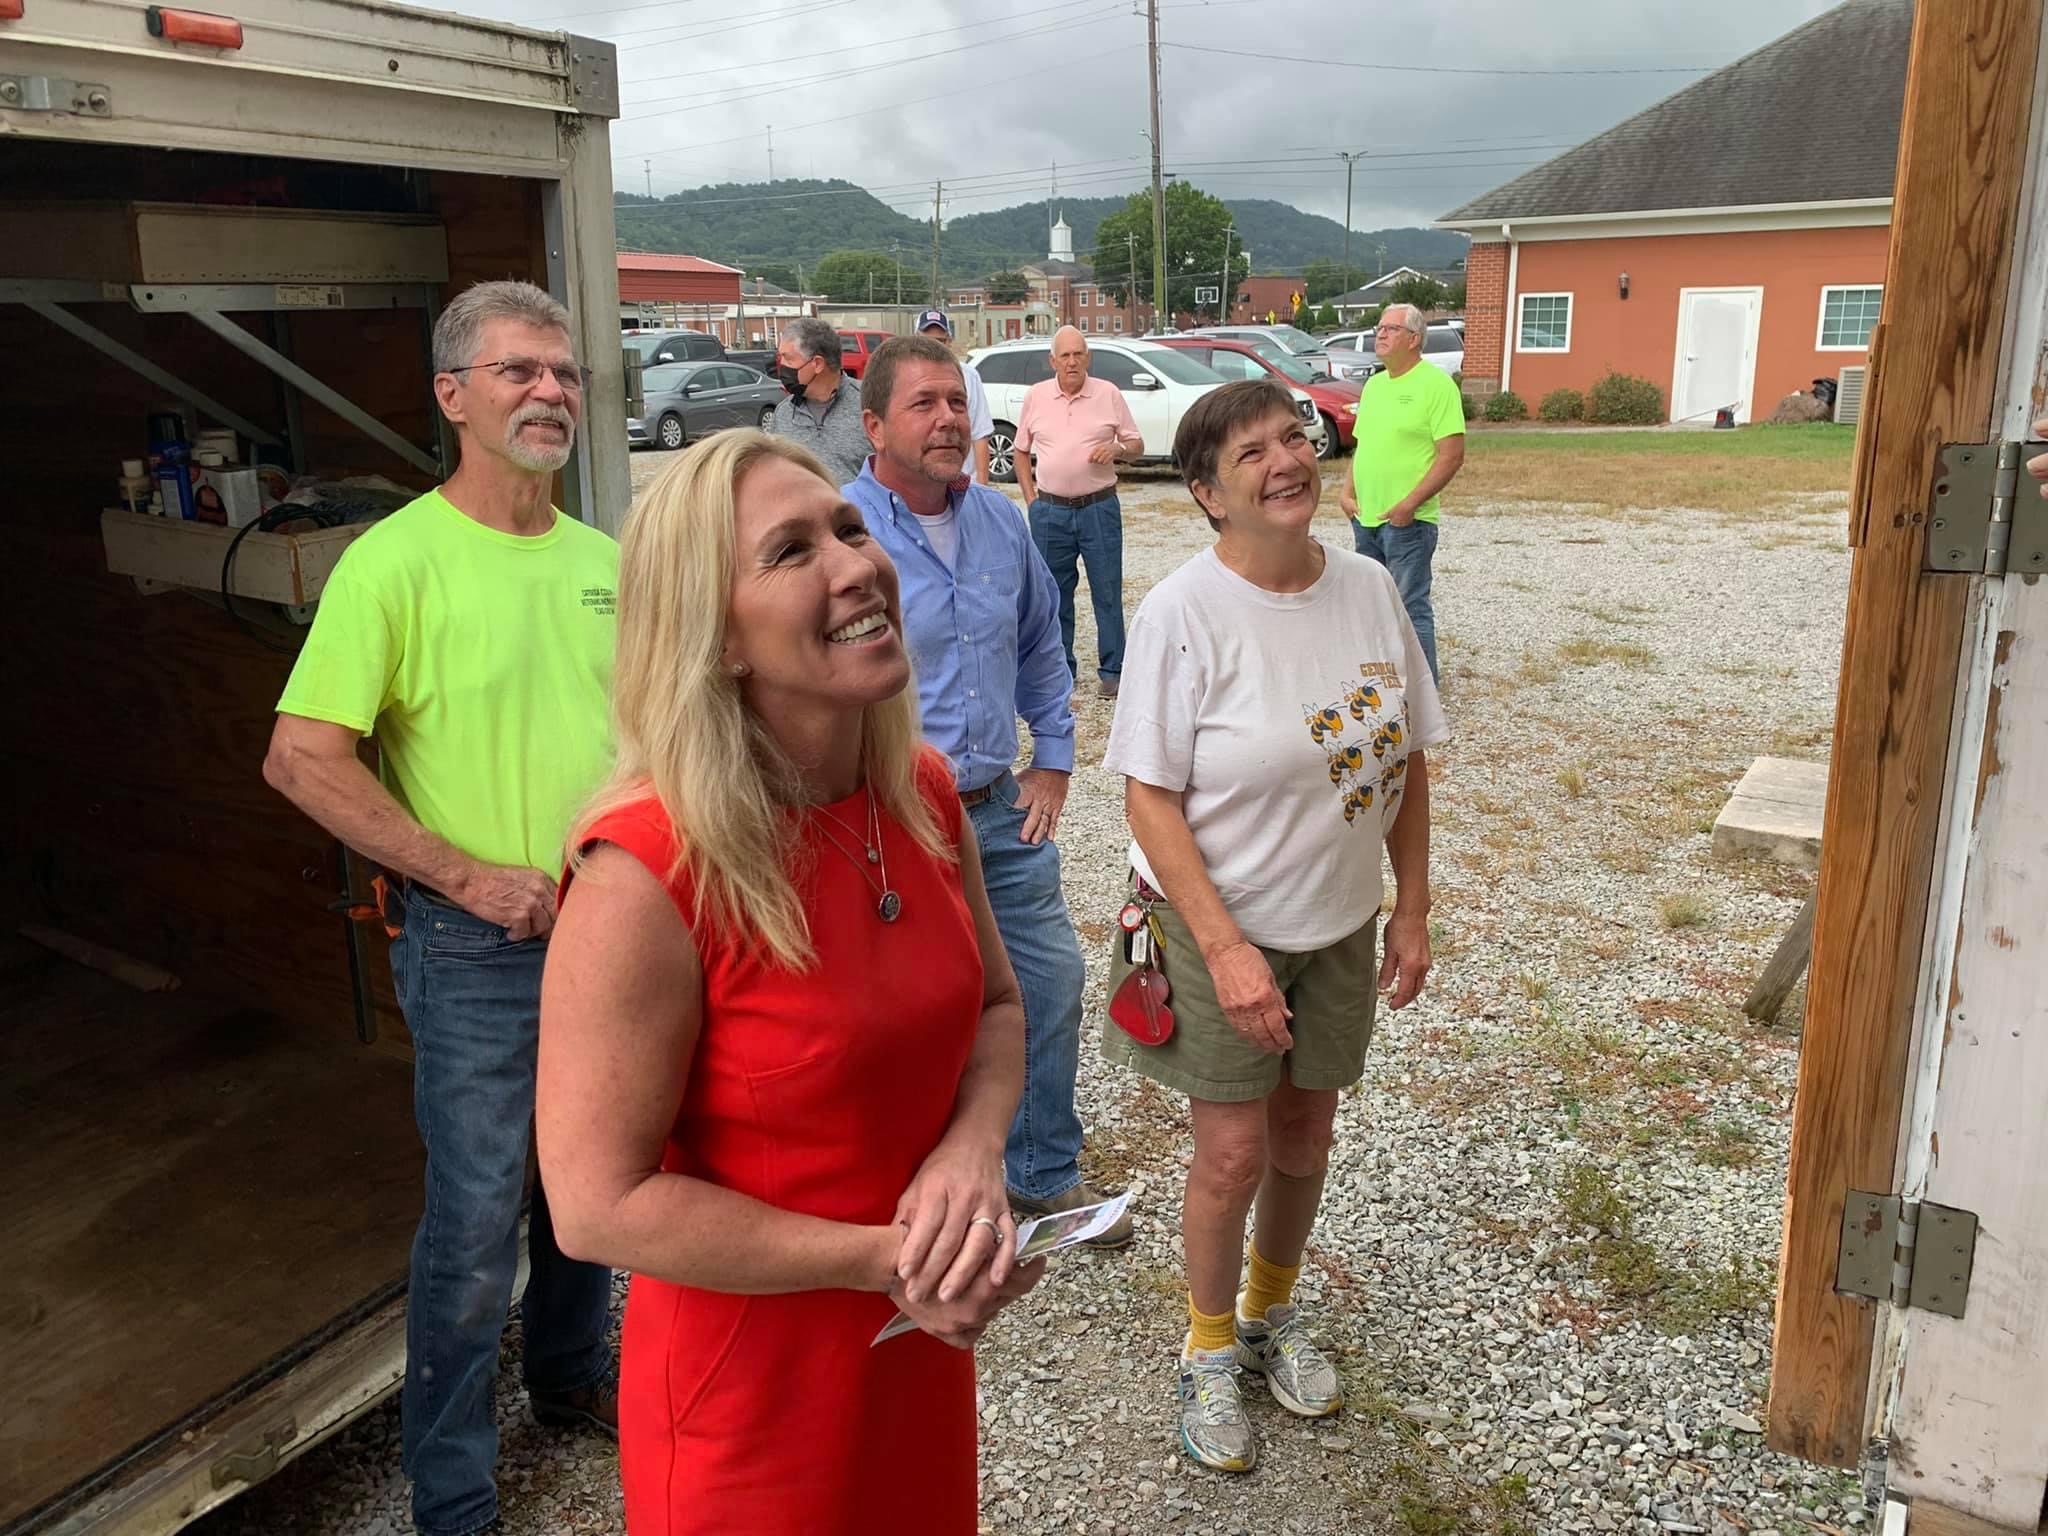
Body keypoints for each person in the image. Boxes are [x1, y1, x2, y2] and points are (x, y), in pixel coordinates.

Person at [535, 430, 1043, 1534]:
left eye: (850, 530)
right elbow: (594, 1204)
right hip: (752, 1412)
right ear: (712, 638)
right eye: (790, 552)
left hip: (909, 1356)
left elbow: (997, 1010)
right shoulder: (644, 871)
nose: (855, 564)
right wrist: (884, 1261)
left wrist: (970, 1150)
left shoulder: (917, 789)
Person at [262, 280, 619, 1536]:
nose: (550, 393)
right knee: (475, 1225)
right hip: (476, 948)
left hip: (610, 940)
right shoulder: (394, 563)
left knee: (591, 1189)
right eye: (519, 372)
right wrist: (463, 875)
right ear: (452, 397)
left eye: (565, 374)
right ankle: (455, 1493)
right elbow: (301, 757)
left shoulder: (603, 565)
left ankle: (573, 1382)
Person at [1102, 379, 1446, 1473]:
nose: (1283, 459)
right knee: (1232, 1150)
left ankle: (1268, 1312)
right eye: (1248, 452)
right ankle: (1205, 1348)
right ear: (1207, 493)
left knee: (1306, 1136)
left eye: (1292, 436)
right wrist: (1226, 948)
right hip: (1216, 924)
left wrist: (1411, 910)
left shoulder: (1365, 590)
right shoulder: (1181, 614)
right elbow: (1147, 797)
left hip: (1338, 922)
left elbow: (1405, 760)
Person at [845, 335, 1133, 1246]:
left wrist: (1052, 754)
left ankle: (1039, 1174)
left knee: (1048, 981)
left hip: (995, 813)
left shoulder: (1005, 522)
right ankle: (904, 1191)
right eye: (924, 404)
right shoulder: (840, 531)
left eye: (957, 404)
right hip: (884, 819)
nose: (947, 421)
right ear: (875, 424)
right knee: (900, 1013)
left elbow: (1043, 642)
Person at [1014, 324, 1143, 699]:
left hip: (1098, 507)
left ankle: (1113, 670)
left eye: (1078, 354)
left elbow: (1136, 443)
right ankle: (1059, 670)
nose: (1072, 362)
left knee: (1106, 590)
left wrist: (1117, 449)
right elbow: (1021, 450)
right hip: (1050, 511)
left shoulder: (1108, 394)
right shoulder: (1036, 397)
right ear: (1052, 361)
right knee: (1054, 595)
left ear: (1088, 358)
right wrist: (1030, 497)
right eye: (1064, 355)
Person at [1339, 302, 1465, 685]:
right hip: (1367, 519)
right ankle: (1386, 683)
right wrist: (1346, 494)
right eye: (1379, 327)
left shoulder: (1436, 385)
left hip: (1408, 523)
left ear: (1414, 339)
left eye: (1390, 329)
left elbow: (1452, 455)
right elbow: (1365, 447)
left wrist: (1409, 506)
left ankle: (1424, 693)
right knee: (1375, 607)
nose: (1380, 333)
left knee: (1410, 607)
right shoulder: (1375, 385)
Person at [769, 315, 868, 484]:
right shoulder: (783, 414)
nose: (781, 366)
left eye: (788, 358)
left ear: (817, 364)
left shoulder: (870, 403)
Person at [917, 307, 995, 483]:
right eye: (927, 341)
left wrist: (982, 487)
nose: (934, 347)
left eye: (940, 341)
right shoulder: (905, 377)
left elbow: (980, 434)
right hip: (921, 484)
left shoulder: (969, 376)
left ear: (949, 341)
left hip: (962, 483)